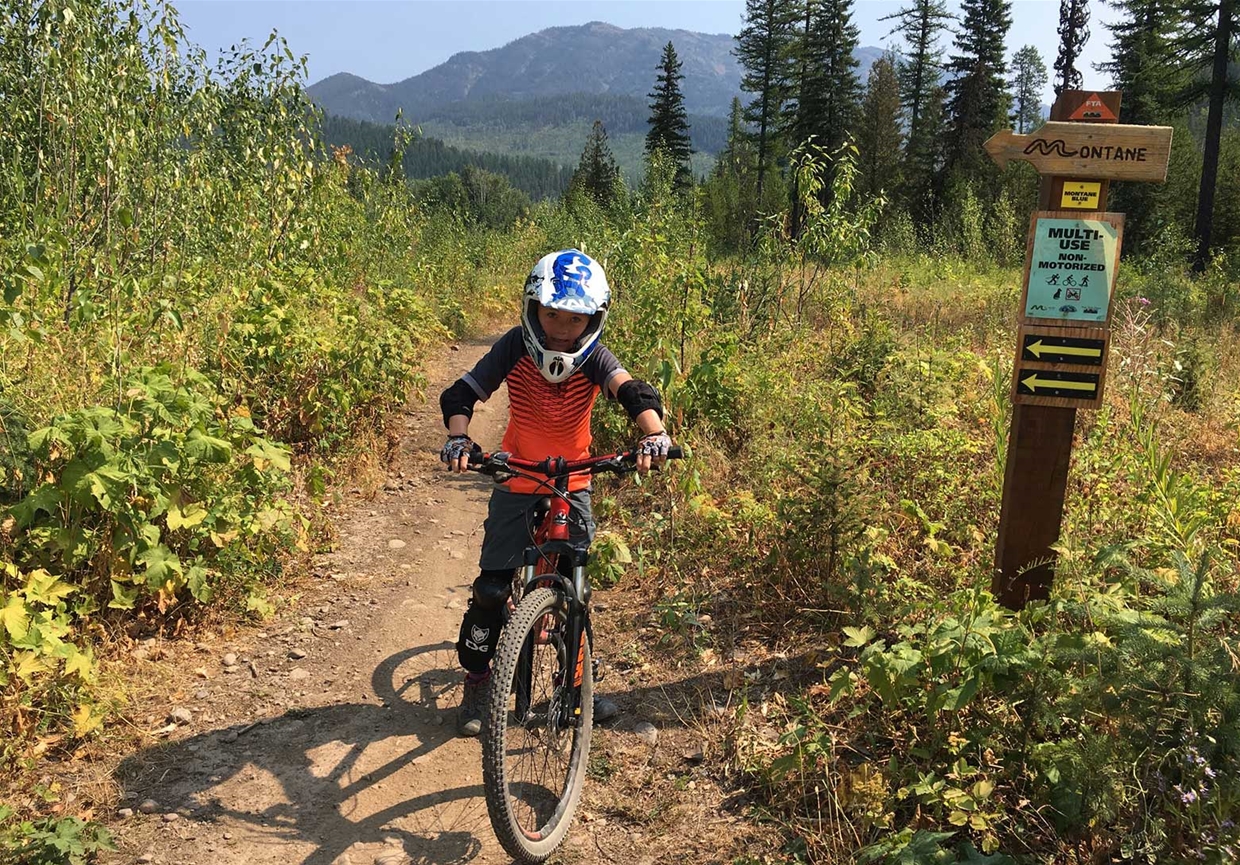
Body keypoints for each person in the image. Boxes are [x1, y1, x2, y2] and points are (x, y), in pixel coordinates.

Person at [438, 249, 672, 737]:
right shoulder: (514, 348)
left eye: (575, 317)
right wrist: (459, 437)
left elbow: (633, 392)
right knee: (491, 589)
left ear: (594, 318)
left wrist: (653, 433)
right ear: (532, 309)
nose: (562, 328)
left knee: (575, 591)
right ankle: (478, 683)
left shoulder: (595, 357)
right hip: (517, 475)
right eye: (551, 314)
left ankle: (576, 686)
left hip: (575, 479)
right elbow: (461, 394)